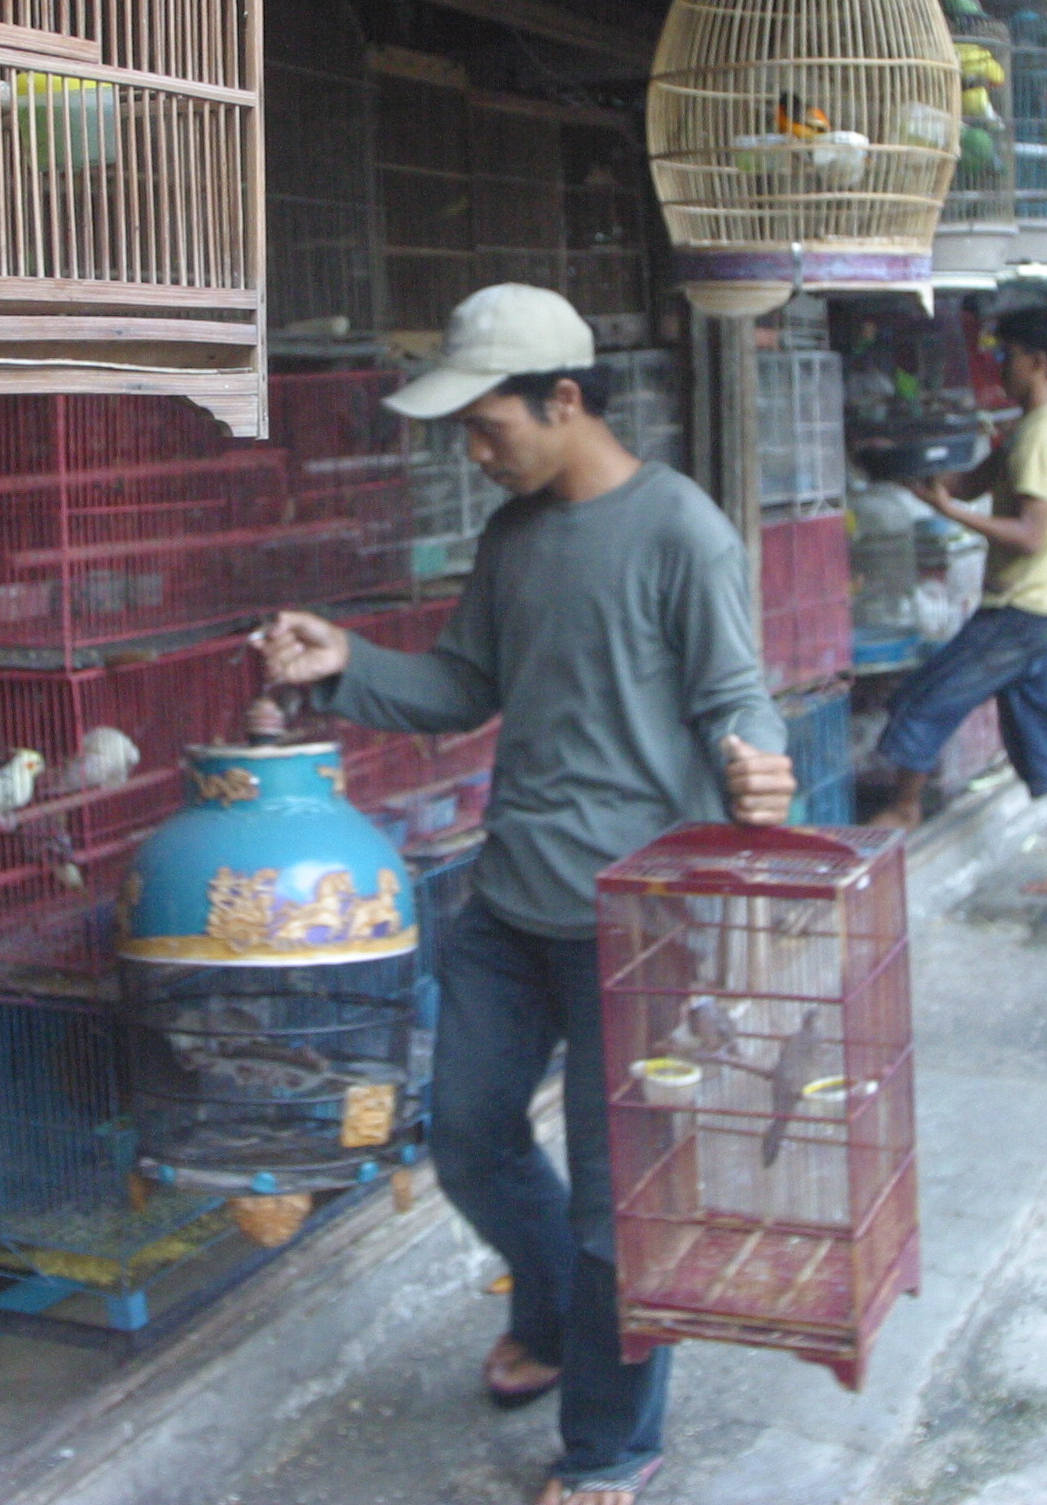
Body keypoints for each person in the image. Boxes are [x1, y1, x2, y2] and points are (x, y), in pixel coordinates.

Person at [256, 283, 794, 1505]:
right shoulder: (514, 538)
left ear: (565, 398)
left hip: (640, 920)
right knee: (468, 1135)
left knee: (622, 1211)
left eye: (486, 423)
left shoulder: (682, 529)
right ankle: (553, 1321)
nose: (473, 448)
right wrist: (348, 664)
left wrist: (758, 760)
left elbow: (734, 694)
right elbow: (462, 683)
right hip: (509, 902)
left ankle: (612, 1445)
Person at [864, 307, 1047, 898]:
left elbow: (1029, 533)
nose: (999, 367)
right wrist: (909, 469)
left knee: (925, 697)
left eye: (1008, 356)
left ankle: (904, 809)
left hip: (1019, 613)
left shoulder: (1038, 438)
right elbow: (971, 481)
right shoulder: (1037, 428)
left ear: (1039, 362)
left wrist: (951, 512)